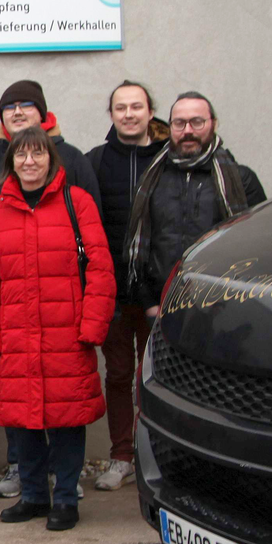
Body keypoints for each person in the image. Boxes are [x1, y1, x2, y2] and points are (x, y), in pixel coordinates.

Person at [0, 126, 115, 531]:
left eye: (38, 154)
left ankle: (67, 499)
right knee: (24, 423)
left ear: (51, 159)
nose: (29, 162)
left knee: (67, 421)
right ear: (11, 162)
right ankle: (34, 496)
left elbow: (101, 270)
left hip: (65, 334)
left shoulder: (78, 202)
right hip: (18, 336)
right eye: (21, 155)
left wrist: (92, 327)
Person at [86, 81, 169, 491]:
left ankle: (159, 457)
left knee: (158, 378)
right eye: (121, 107)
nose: (129, 114)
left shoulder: (170, 158)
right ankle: (121, 456)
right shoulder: (96, 161)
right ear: (112, 114)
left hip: (162, 293)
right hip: (114, 292)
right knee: (119, 375)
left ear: (150, 112)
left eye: (137, 106)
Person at [126, 91, 267, 321]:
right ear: (170, 126)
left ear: (214, 123)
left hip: (226, 310)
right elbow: (141, 245)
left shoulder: (241, 180)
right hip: (164, 308)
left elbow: (259, 246)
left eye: (197, 122)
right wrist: (149, 303)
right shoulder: (151, 179)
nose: (188, 131)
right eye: (179, 123)